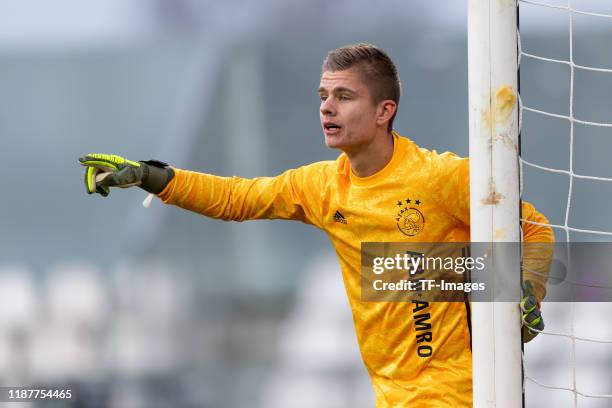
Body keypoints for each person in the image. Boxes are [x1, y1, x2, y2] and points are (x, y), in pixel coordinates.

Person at [79, 44, 552, 407]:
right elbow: (236, 198)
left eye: (344, 97)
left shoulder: (441, 177)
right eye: (323, 96)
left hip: (457, 392)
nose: (326, 107)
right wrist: (150, 176)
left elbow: (534, 228)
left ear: (384, 111)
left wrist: (525, 288)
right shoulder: (322, 186)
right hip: (391, 392)